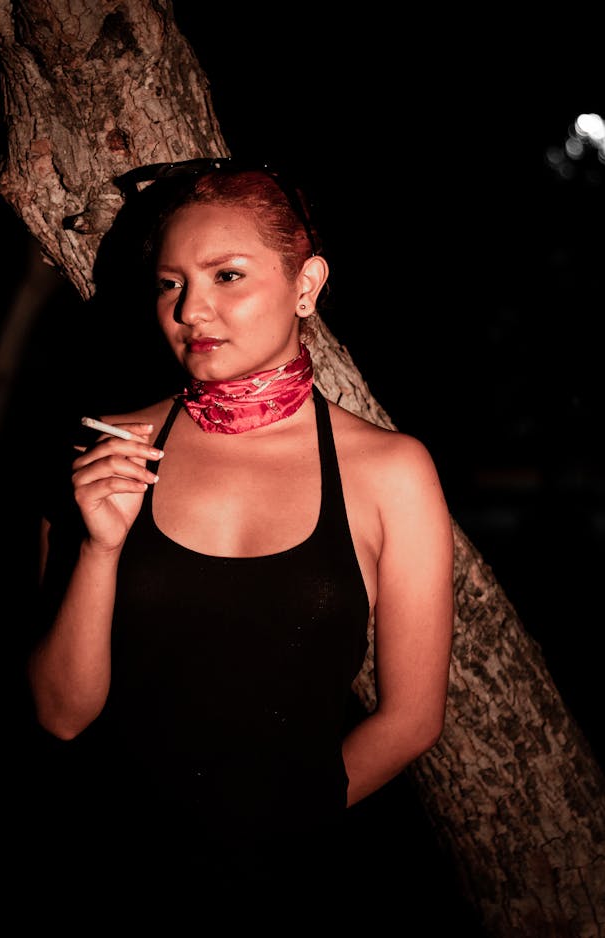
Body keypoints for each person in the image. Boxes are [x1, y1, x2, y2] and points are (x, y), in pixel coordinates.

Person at [25, 159, 455, 918]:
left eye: (227, 276)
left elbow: (413, 720)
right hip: (104, 871)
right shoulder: (108, 448)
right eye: (169, 283)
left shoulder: (392, 472)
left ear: (306, 285)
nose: (192, 309)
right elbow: (61, 713)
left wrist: (280, 830)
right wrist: (99, 550)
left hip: (295, 882)